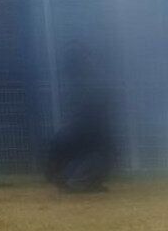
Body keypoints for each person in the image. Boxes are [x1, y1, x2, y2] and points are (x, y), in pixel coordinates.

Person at [45, 43, 117, 193]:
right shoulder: (90, 78)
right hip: (86, 131)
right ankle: (77, 181)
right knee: (103, 150)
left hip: (77, 131)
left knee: (96, 148)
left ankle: (70, 180)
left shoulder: (76, 80)